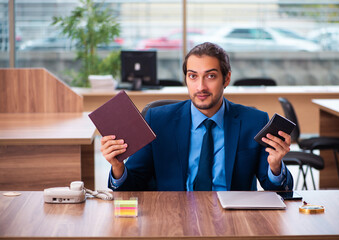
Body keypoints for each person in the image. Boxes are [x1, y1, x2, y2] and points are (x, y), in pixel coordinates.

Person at [101, 42, 293, 191]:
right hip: (174, 215)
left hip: (233, 219)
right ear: (186, 79)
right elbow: (132, 185)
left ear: (226, 79)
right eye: (193, 76)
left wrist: (276, 166)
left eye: (210, 76)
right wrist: (118, 167)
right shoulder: (157, 120)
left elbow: (277, 189)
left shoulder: (254, 121)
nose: (200, 87)